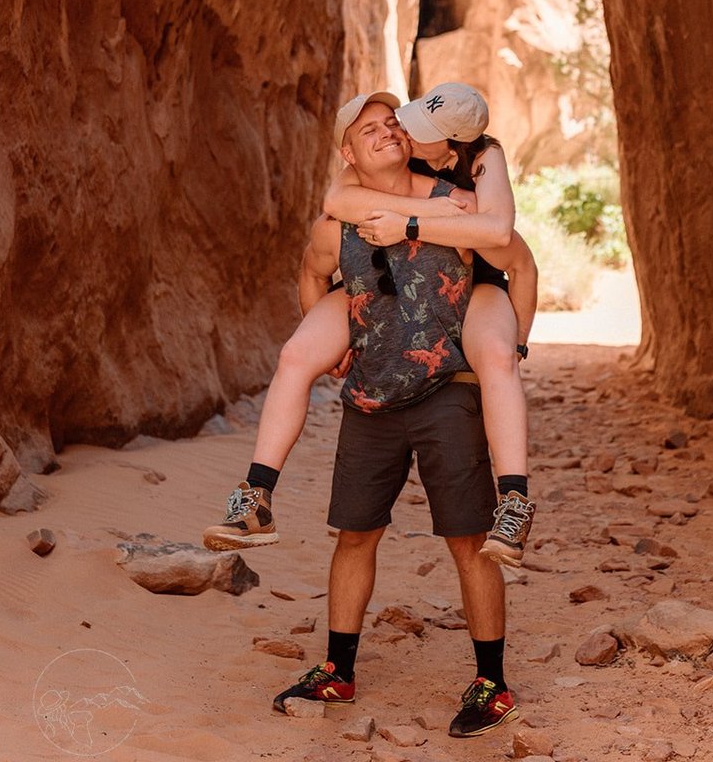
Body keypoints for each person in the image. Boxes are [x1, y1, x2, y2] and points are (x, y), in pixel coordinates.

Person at [203, 83, 538, 567]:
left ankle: (513, 500)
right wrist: (422, 213)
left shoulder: (481, 162)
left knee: (497, 357)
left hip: (476, 272)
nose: (398, 132)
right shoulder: (381, 168)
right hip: (381, 282)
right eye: (395, 124)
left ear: (451, 142)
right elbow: (336, 204)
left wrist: (520, 342)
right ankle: (256, 498)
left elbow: (504, 240)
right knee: (295, 355)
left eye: (405, 127)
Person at [270, 92, 518, 737]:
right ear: (348, 154)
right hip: (371, 399)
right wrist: (329, 349)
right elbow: (311, 270)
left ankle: (492, 684)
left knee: (469, 541)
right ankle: (337, 670)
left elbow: (512, 256)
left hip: (449, 389)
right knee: (354, 534)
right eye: (370, 130)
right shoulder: (339, 217)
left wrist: (513, 344)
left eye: (393, 125)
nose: (387, 133)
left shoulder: (454, 202)